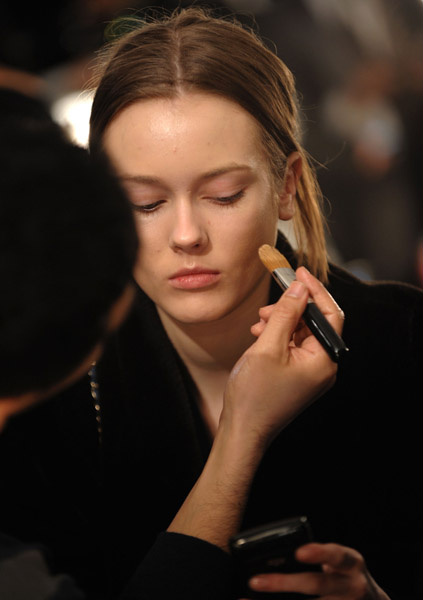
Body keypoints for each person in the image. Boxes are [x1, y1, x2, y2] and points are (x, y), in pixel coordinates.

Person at [1, 6, 422, 599]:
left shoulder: (403, 339)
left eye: (223, 195)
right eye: (145, 203)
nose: (186, 235)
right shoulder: (49, 380)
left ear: (286, 185)